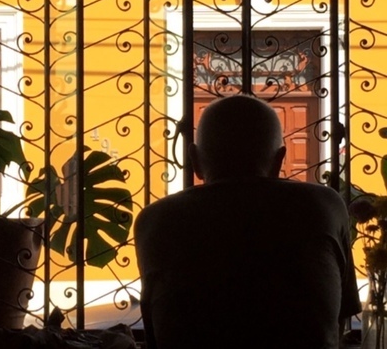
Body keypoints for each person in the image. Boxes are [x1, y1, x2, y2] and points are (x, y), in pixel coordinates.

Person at [134, 94, 361, 349]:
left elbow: (155, 333)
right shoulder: (323, 205)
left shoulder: (155, 220)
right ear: (279, 160)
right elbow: (339, 321)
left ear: (194, 160)